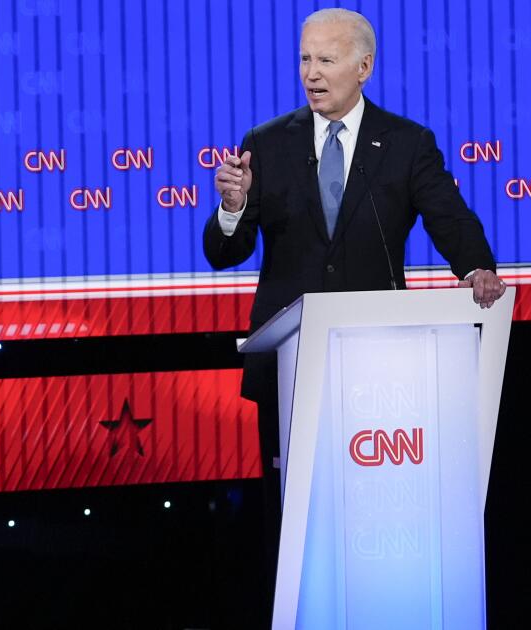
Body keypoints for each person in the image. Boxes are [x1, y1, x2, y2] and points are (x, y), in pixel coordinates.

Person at [202, 6, 505, 623]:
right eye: (304, 59)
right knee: (295, 519)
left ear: (363, 67)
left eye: (326, 60)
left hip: (384, 373)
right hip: (292, 369)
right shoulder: (266, 143)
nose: (311, 73)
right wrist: (231, 208)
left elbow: (449, 218)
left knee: (375, 512)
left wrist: (476, 267)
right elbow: (224, 252)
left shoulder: (406, 143)